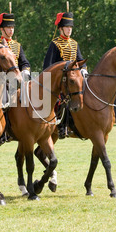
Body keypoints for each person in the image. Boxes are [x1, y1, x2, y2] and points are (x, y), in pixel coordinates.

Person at [43, 10, 87, 139]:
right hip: (60, 81)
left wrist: (83, 68)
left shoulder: (74, 43)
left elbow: (80, 59)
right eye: (67, 27)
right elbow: (48, 65)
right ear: (61, 28)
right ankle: (61, 126)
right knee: (61, 101)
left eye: (70, 27)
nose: (69, 30)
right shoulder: (55, 44)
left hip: (74, 78)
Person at [0, 12, 31, 144]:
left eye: (12, 27)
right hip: (2, 81)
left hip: (17, 80)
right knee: (4, 102)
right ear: (2, 29)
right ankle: (3, 131)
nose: (11, 30)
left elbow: (25, 62)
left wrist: (25, 71)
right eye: (8, 27)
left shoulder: (17, 46)